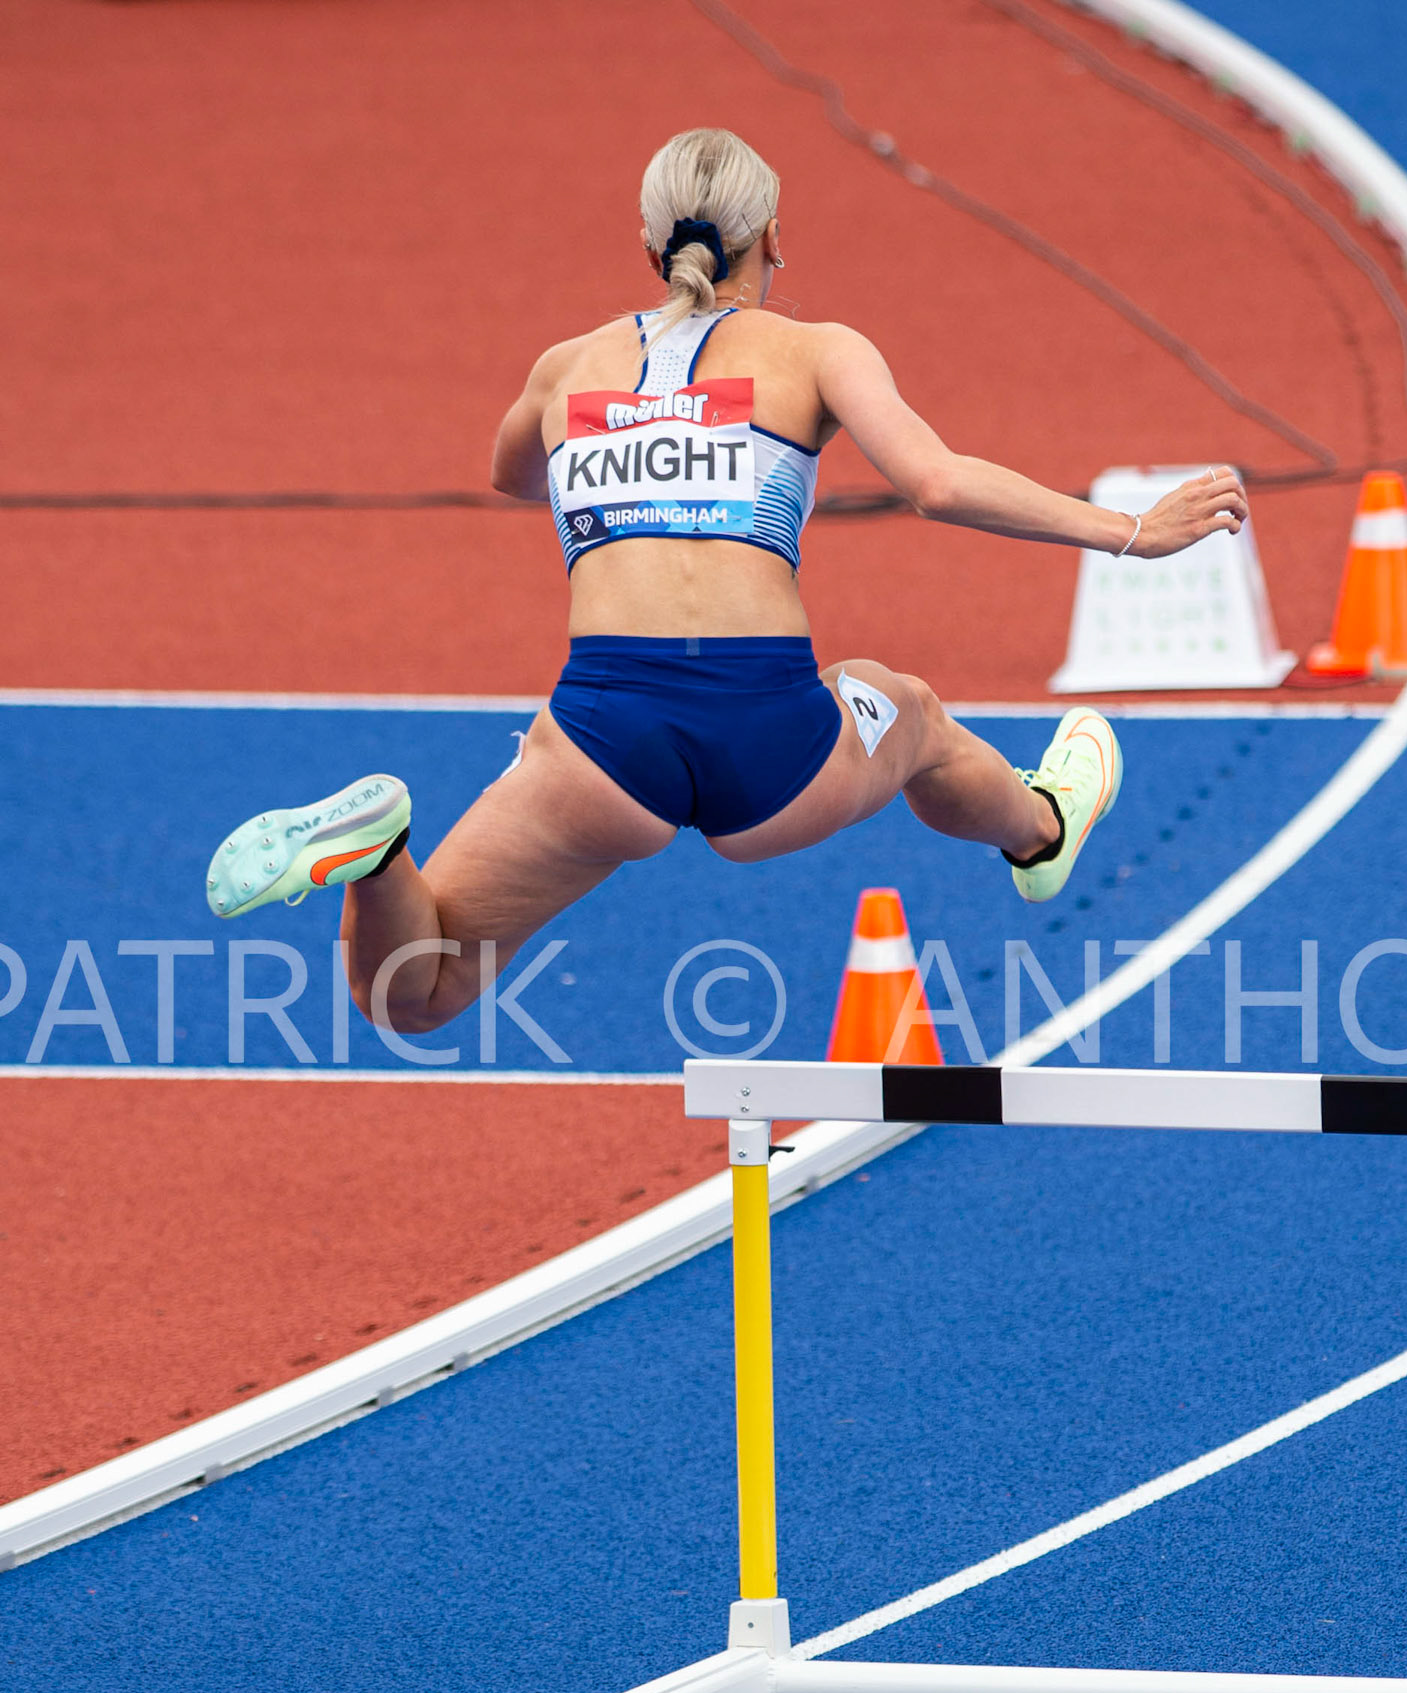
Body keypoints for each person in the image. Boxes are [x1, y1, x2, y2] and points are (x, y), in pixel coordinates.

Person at [205, 127, 1249, 1039]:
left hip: (602, 738)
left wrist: (616, 454)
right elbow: (934, 481)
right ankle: (1041, 829)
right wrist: (1128, 532)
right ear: (776, 238)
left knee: (413, 996)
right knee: (912, 712)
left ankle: (381, 853)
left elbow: (506, 473)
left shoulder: (566, 366)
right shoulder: (817, 349)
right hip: (769, 736)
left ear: (648, 247)